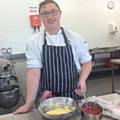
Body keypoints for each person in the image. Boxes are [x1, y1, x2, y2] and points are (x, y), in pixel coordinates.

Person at [14, 0, 92, 114]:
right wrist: (28, 103)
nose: (50, 16)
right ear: (40, 17)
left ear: (60, 14)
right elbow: (34, 72)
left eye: (53, 12)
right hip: (47, 98)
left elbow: (87, 62)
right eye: (45, 13)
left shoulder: (75, 38)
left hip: (73, 96)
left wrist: (82, 80)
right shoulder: (34, 41)